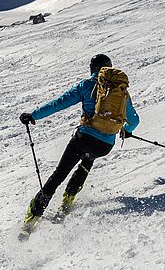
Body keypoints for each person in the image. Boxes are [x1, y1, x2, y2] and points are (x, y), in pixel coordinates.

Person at [19, 54, 140, 231]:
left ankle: (31, 220)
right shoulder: (120, 91)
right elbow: (134, 121)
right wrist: (126, 131)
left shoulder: (87, 85)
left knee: (58, 175)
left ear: (93, 69)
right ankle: (67, 203)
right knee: (88, 160)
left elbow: (60, 102)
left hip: (84, 138)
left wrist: (34, 115)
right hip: (105, 145)